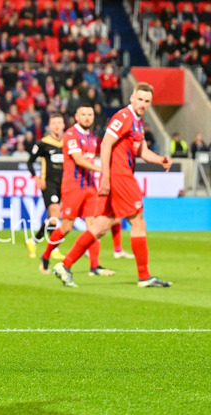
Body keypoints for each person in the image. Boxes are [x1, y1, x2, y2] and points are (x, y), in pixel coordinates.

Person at [53, 83, 173, 288]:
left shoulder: (138, 122)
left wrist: (160, 159)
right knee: (138, 221)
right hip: (120, 176)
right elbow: (106, 143)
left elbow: (143, 152)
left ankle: (65, 265)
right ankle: (144, 276)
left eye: (147, 101)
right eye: (140, 99)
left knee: (100, 227)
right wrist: (106, 177)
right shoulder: (124, 117)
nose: (143, 104)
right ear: (132, 97)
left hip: (119, 176)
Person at [38, 103, 115, 277]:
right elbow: (79, 160)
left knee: (94, 226)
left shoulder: (92, 136)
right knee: (66, 227)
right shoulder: (71, 134)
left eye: (90, 115)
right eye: (84, 115)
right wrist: (103, 169)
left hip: (90, 187)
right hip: (73, 187)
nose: (87, 118)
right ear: (77, 117)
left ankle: (94, 266)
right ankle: (46, 254)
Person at [25, 113, 66, 260]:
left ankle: (33, 241)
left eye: (59, 122)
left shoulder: (67, 143)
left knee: (52, 217)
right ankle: (54, 249)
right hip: (48, 183)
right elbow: (30, 162)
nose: (57, 126)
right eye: (54, 123)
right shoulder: (43, 143)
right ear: (49, 126)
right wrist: (36, 178)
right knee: (55, 213)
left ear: (63, 125)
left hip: (63, 184)